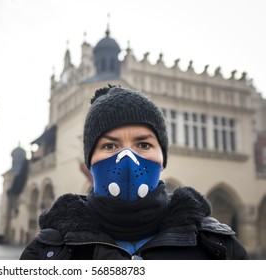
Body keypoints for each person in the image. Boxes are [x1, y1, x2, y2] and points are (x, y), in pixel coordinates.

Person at [20, 85, 249, 260]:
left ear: (163, 159)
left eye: (144, 144)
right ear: (90, 160)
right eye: (109, 146)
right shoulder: (47, 253)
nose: (127, 158)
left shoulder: (218, 248)